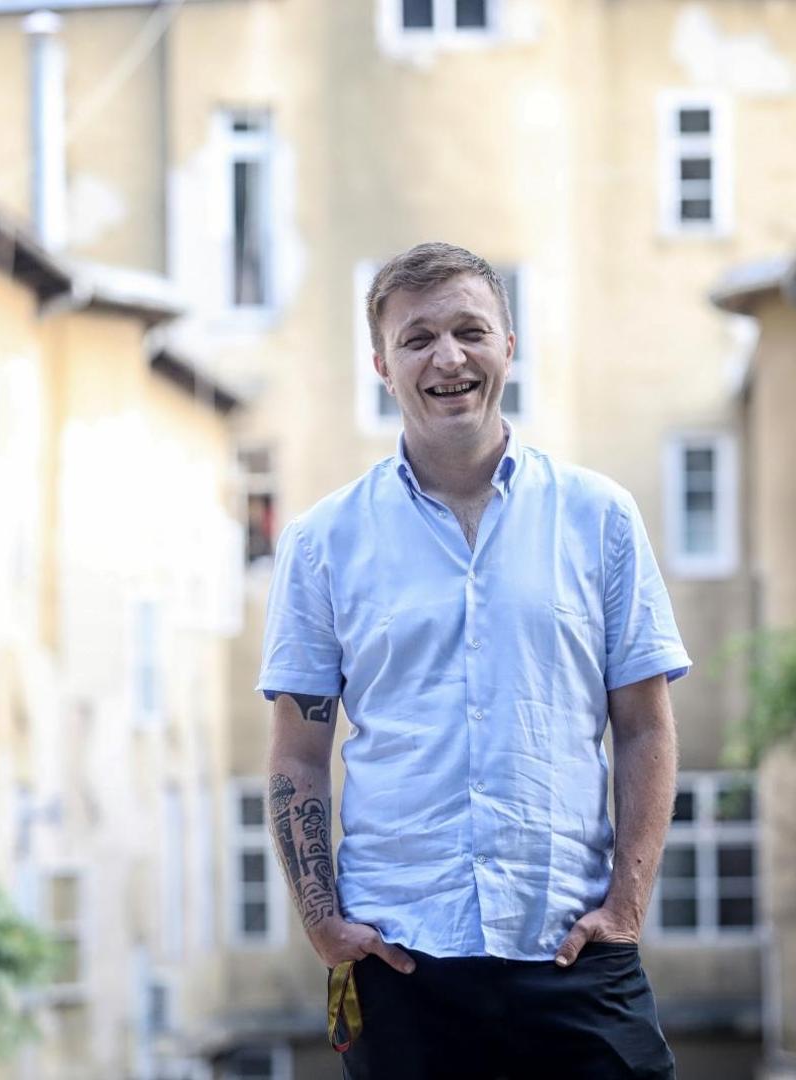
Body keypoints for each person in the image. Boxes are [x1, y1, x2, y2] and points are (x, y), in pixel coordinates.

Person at [258, 241, 688, 1079]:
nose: (447, 358)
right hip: (399, 958)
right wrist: (321, 922)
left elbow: (644, 727)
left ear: (508, 347)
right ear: (382, 366)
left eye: (470, 331)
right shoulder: (321, 542)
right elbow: (298, 753)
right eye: (417, 339)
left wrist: (626, 907)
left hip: (572, 948)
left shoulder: (598, 517)